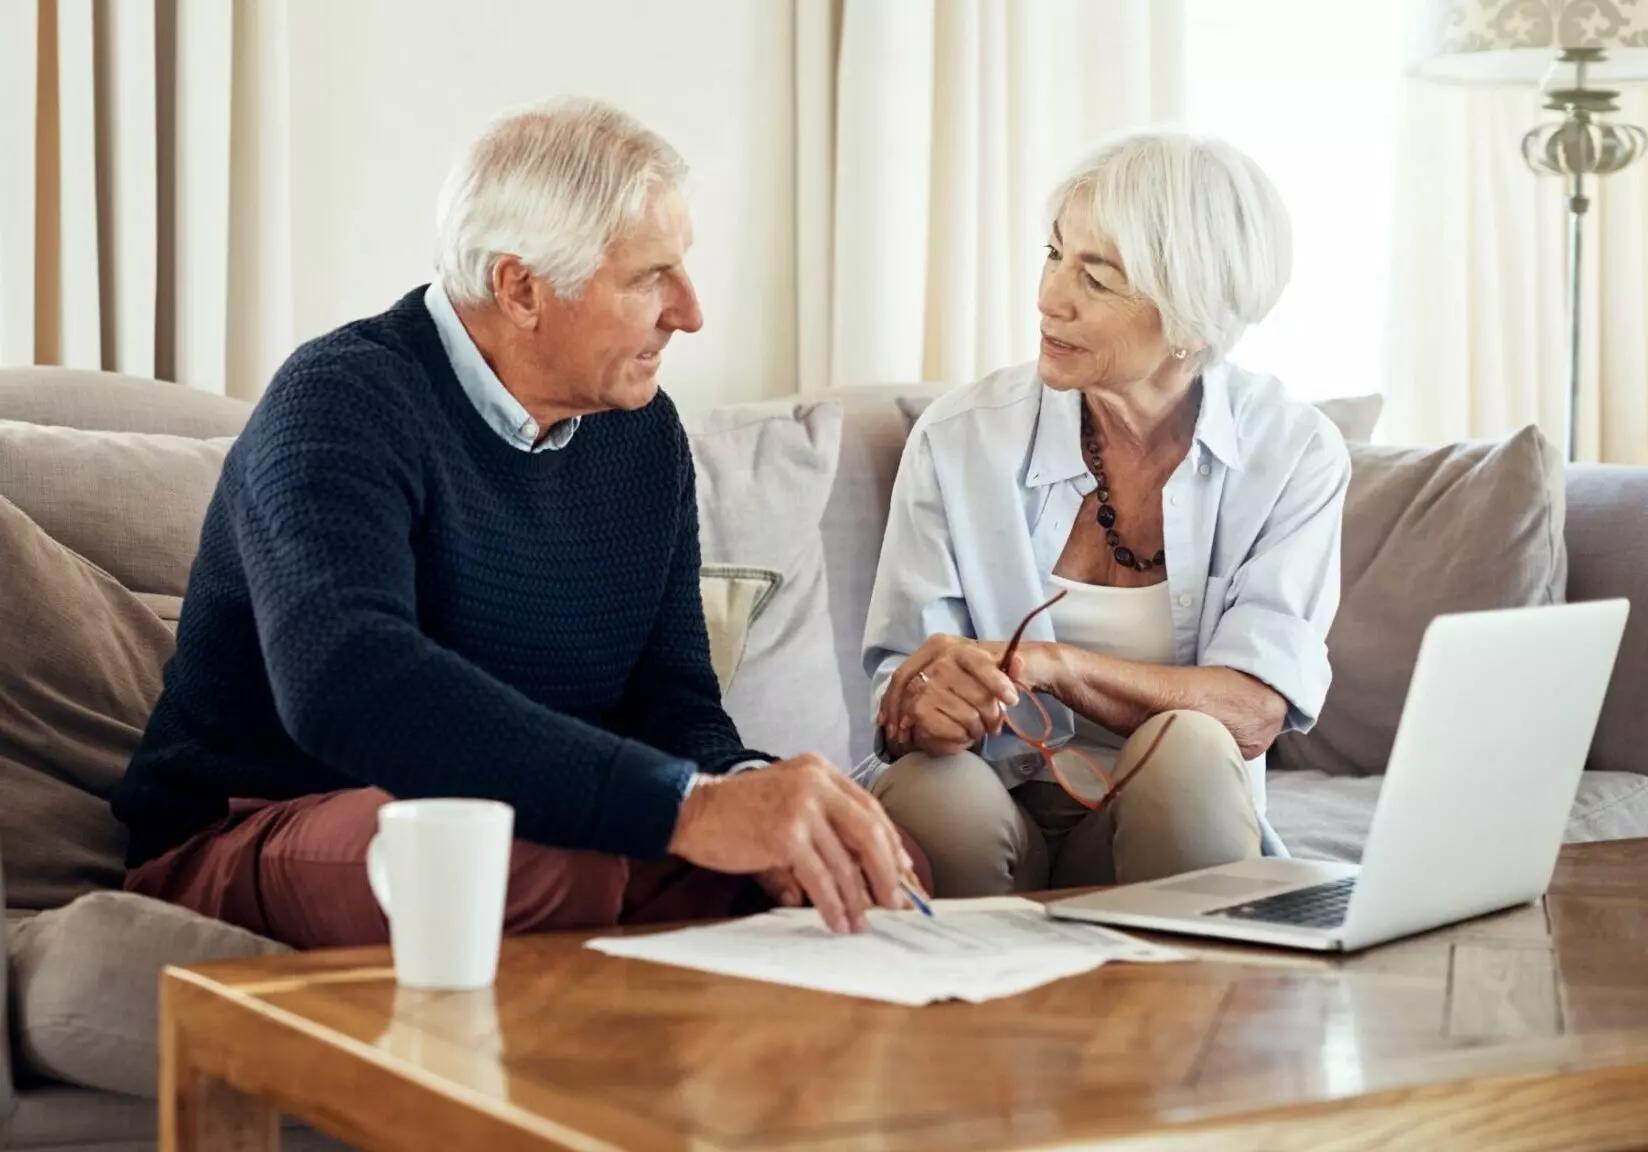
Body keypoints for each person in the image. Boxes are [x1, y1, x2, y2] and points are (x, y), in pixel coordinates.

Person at [111, 98, 921, 942]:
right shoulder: (340, 399)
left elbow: (676, 706)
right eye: (650, 277)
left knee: (867, 864)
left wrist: (760, 795)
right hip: (257, 826)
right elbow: (348, 685)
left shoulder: (642, 436)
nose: (690, 311)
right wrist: (686, 808)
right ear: (522, 288)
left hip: (538, 826)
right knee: (530, 862)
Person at [862, 131, 1351, 897]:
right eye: (1054, 255)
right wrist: (926, 704)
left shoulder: (1293, 453)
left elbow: (1253, 709)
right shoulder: (960, 439)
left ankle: (1178, 1006)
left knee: (1189, 744)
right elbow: (902, 677)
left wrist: (1056, 667)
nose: (1049, 297)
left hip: (1165, 811)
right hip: (994, 805)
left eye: (1095, 277)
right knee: (932, 786)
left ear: (1190, 323)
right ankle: (974, 1003)